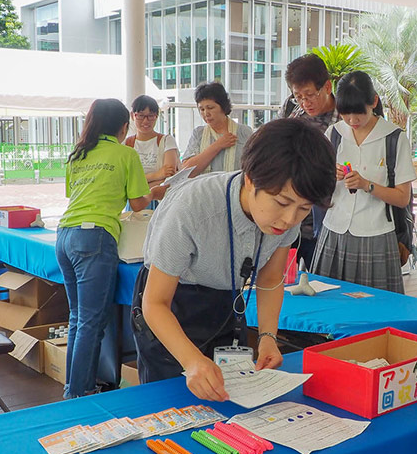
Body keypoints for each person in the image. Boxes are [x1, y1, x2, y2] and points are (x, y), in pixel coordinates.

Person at [132, 118, 336, 400]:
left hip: (228, 301)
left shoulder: (287, 214)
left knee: (228, 398)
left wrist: (267, 337)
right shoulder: (192, 208)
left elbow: (270, 278)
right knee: (172, 403)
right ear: (250, 180)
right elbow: (155, 303)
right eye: (282, 203)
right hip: (173, 304)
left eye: (304, 208)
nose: (290, 219)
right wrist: (192, 361)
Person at [57, 99, 163, 398]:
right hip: (95, 237)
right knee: (91, 322)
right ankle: (78, 394)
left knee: (78, 318)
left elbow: (75, 194)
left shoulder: (78, 153)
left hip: (65, 236)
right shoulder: (125, 154)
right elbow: (138, 203)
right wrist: (157, 191)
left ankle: (75, 387)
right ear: (123, 126)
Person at [311, 70, 414, 293]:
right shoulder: (334, 133)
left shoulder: (394, 138)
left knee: (375, 304)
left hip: (376, 234)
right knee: (330, 302)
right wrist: (329, 175)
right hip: (334, 231)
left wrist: (367, 185)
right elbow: (318, 187)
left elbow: (402, 198)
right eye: (345, 114)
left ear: (374, 102)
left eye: (359, 113)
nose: (352, 120)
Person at [284, 53, 339, 266]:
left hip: (328, 222)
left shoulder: (347, 119)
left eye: (309, 95)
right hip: (289, 221)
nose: (305, 102)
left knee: (322, 280)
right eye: (298, 96)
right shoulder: (291, 112)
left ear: (327, 87)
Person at [181, 82, 253, 176]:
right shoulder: (199, 133)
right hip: (204, 185)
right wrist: (217, 145)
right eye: (202, 109)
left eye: (210, 108)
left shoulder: (244, 132)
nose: (206, 113)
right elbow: (185, 171)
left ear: (223, 107)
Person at [125, 94, 179, 192]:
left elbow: (169, 176)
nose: (146, 121)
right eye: (141, 116)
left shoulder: (166, 140)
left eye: (151, 116)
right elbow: (125, 180)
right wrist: (157, 175)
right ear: (132, 116)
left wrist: (137, 186)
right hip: (135, 199)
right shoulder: (127, 143)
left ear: (156, 116)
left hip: (162, 197)